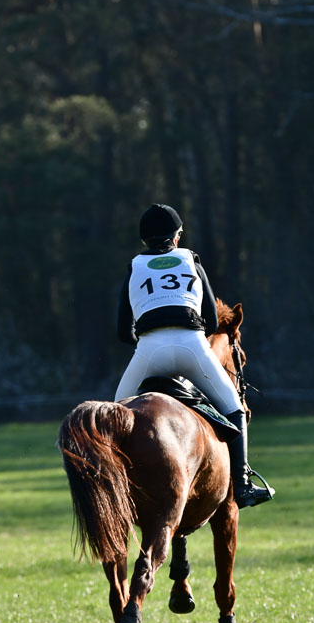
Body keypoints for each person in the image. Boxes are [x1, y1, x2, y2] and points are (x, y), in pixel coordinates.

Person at [115, 203, 274, 508]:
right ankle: (242, 485)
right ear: (176, 237)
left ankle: (113, 490)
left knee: (114, 417)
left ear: (144, 239)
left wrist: (149, 339)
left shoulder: (134, 267)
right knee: (234, 408)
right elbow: (212, 322)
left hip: (149, 352)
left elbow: (123, 332)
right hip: (193, 348)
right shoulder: (192, 261)